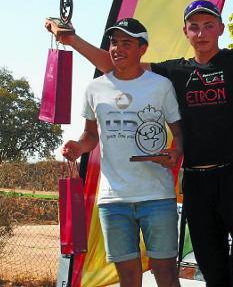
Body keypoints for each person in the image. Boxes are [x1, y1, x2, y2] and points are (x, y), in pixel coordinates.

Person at [47, 1, 233, 287]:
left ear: (221, 28)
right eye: (194, 27)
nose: (201, 34)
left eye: (208, 26)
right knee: (213, 272)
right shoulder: (174, 71)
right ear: (185, 32)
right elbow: (118, 64)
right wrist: (72, 40)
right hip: (196, 184)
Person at [61, 18, 183, 287]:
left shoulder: (160, 85)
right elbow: (91, 134)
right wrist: (78, 147)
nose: (117, 49)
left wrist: (176, 152)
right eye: (114, 42)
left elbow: (179, 130)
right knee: (127, 277)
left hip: (157, 196)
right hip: (113, 199)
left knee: (166, 274)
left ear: (142, 48)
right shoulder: (95, 88)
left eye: (126, 43)